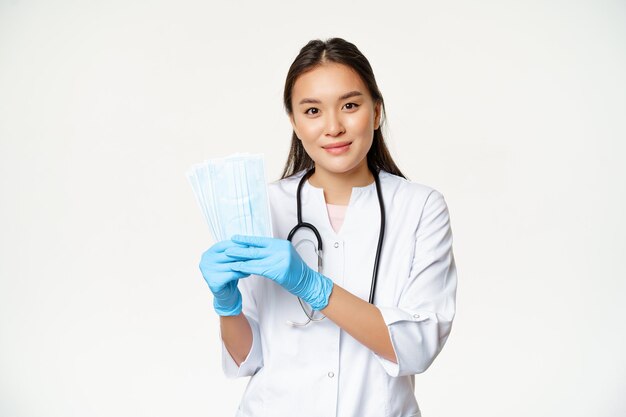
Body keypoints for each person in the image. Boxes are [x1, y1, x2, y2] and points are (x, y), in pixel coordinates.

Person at [199, 37, 458, 417]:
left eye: (350, 106)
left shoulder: (420, 208)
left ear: (377, 111)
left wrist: (311, 286)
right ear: (294, 122)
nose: (333, 127)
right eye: (313, 110)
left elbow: (417, 346)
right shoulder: (267, 206)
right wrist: (226, 304)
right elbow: (247, 357)